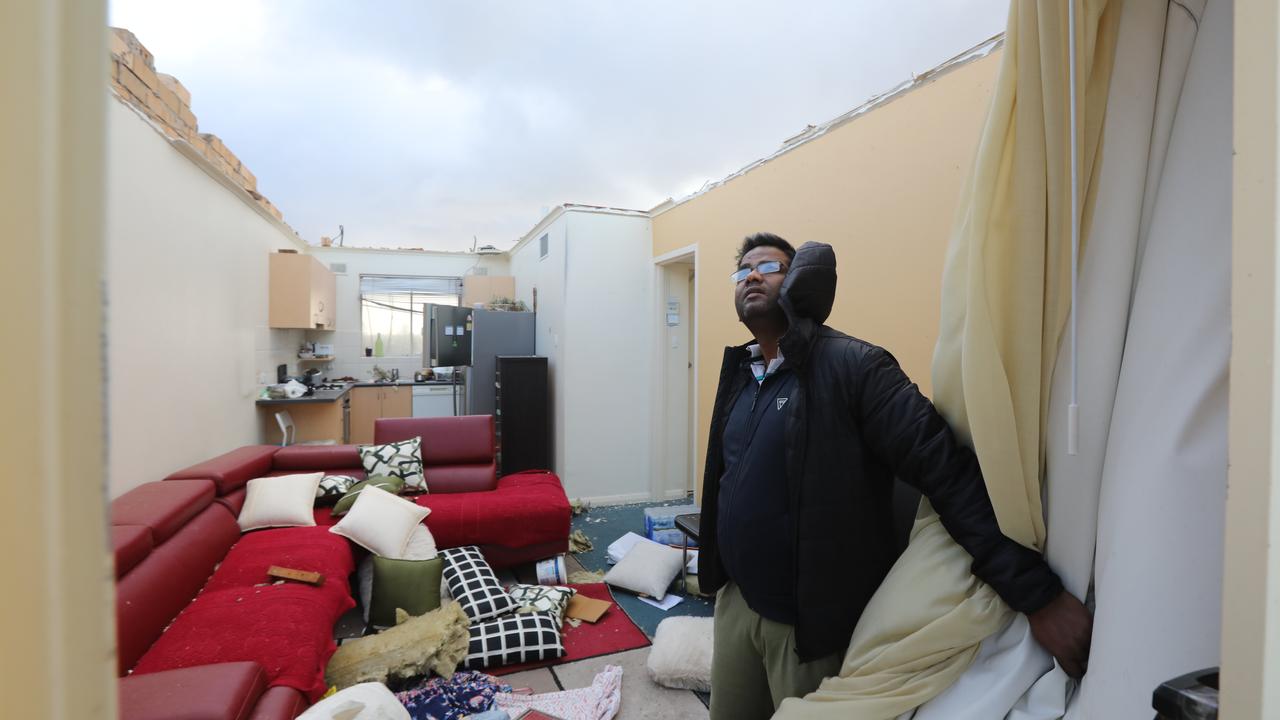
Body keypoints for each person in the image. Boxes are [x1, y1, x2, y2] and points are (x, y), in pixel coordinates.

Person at [700, 233, 1092, 720]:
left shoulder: (855, 366)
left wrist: (1037, 595)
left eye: (770, 267)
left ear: (801, 278)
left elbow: (948, 472)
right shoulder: (740, 373)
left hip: (806, 629)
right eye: (743, 271)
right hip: (736, 604)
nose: (752, 276)